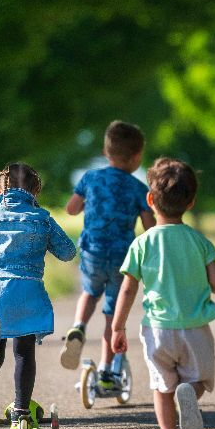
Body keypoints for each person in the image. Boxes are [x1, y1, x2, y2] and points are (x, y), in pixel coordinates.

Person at [111, 158, 215, 429]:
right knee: (198, 379)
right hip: (195, 327)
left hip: (157, 329)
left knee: (161, 389)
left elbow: (127, 289)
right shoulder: (198, 240)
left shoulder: (142, 243)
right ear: (191, 202)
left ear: (150, 200)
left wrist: (117, 327)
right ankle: (190, 392)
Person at [0, 162, 77, 429]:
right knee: (24, 352)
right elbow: (68, 252)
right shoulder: (42, 218)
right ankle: (22, 414)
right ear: (35, 191)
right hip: (27, 292)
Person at [60, 121, 156, 388]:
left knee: (89, 293)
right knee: (113, 314)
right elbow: (150, 228)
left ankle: (78, 326)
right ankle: (105, 372)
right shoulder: (138, 189)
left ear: (106, 151)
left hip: (92, 250)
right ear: (137, 158)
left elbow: (71, 209)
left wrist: (88, 204)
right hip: (122, 258)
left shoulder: (90, 178)